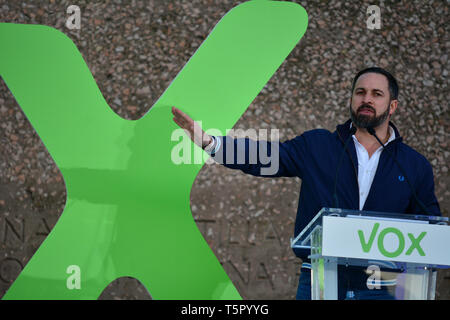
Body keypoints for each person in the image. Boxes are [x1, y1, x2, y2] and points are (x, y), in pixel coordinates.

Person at [171, 67, 441, 299]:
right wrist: (210, 143)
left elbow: (431, 229)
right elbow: (265, 157)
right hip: (321, 282)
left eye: (376, 94)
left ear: (392, 106)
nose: (366, 99)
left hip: (384, 287)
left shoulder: (414, 165)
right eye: (360, 92)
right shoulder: (318, 145)